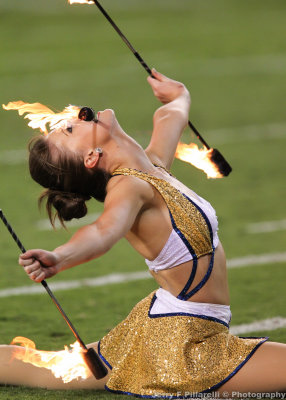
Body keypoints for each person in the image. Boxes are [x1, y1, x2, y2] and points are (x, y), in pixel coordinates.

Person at [0, 69, 286, 397]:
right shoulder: (130, 186)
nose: (72, 116)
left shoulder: (151, 167)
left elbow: (170, 116)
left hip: (170, 325)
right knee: (42, 367)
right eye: (68, 130)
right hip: (185, 346)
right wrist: (60, 257)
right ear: (91, 157)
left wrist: (179, 95)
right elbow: (104, 230)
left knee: (36, 364)